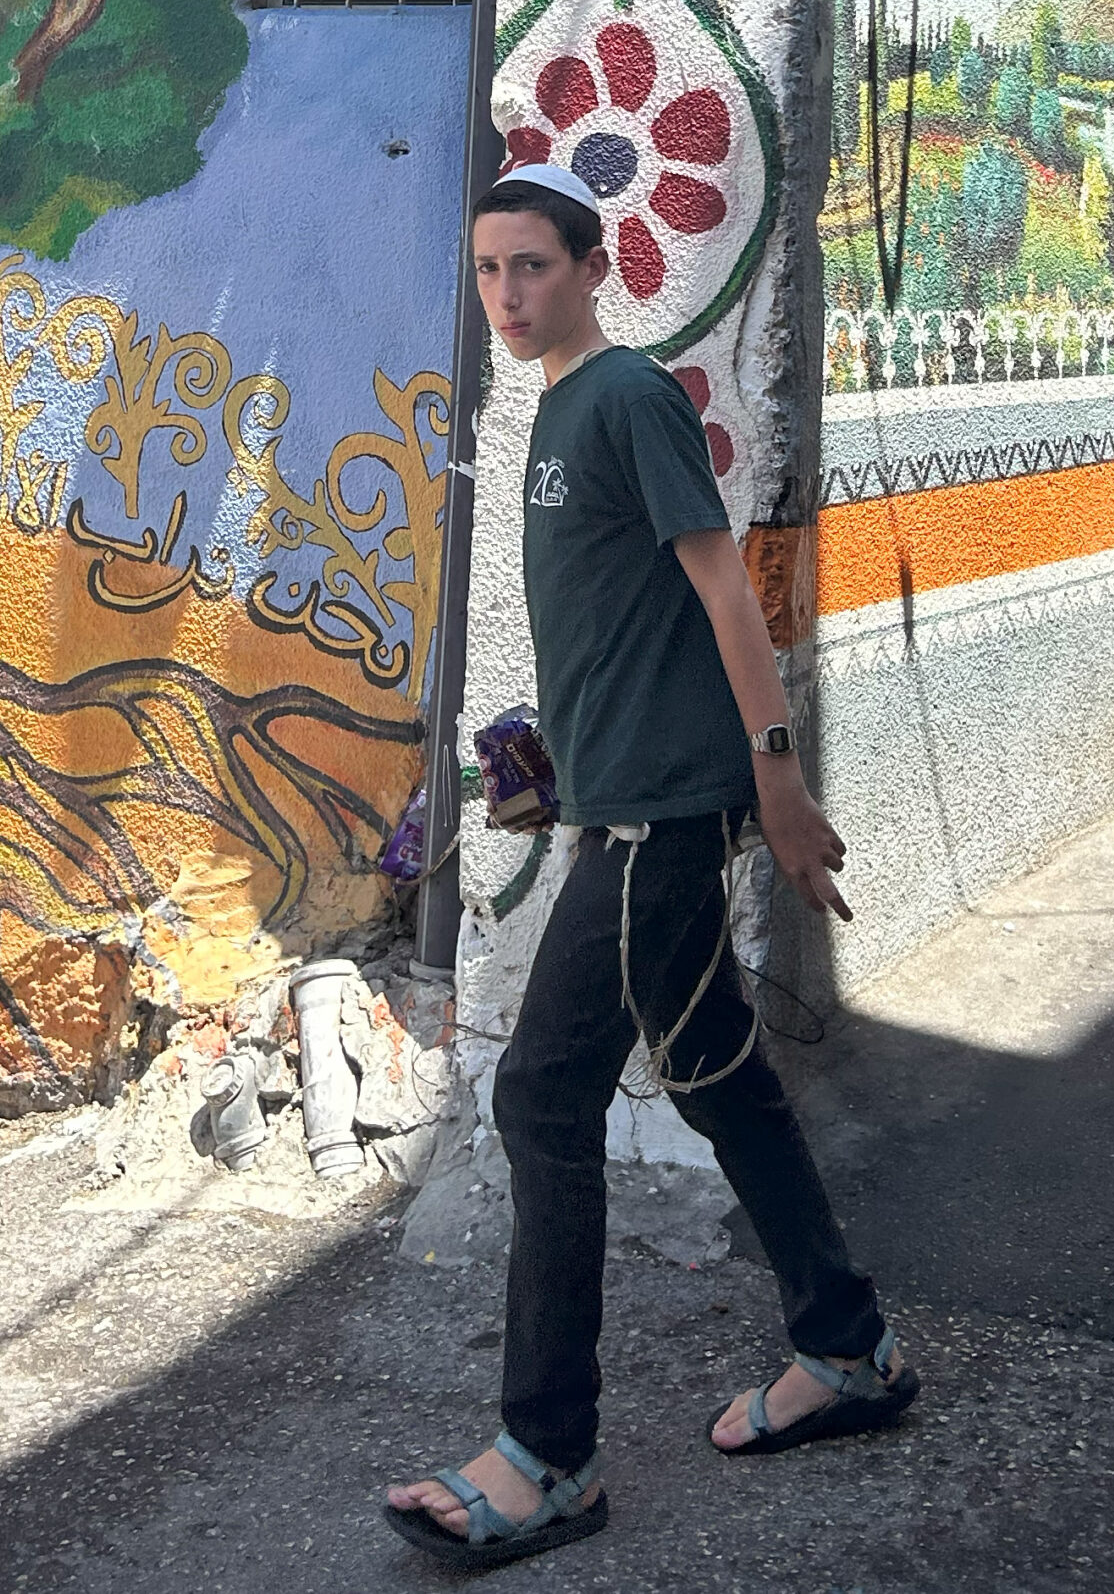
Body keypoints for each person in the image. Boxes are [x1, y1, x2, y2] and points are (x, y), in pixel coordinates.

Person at [381, 164, 918, 1568]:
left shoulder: (626, 397)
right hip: (620, 801)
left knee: (540, 1095)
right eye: (489, 269)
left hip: (666, 822)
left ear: (591, 267)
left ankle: (548, 1456)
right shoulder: (556, 409)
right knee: (721, 1075)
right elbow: (621, 627)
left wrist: (778, 777)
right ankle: (846, 1348)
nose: (508, 294)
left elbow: (724, 588)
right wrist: (561, 763)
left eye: (533, 267)